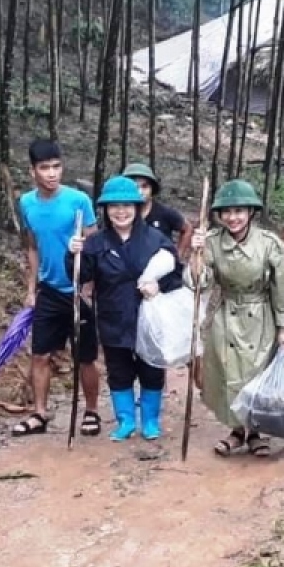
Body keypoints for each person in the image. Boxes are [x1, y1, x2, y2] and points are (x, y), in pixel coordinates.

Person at [67, 176, 181, 442]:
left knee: (151, 369)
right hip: (113, 317)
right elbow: (80, 276)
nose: (121, 211)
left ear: (138, 207)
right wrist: (73, 254)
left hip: (149, 318)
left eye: (127, 205)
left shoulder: (156, 239)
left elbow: (176, 274)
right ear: (105, 210)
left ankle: (150, 421)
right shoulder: (95, 243)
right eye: (114, 206)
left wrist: (159, 285)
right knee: (118, 371)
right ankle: (125, 420)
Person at [188, 179, 284, 458]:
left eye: (239, 211)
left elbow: (283, 286)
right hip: (225, 314)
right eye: (226, 212)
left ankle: (257, 431)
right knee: (228, 375)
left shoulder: (269, 243)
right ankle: (237, 431)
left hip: (260, 315)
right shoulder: (211, 241)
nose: (233, 218)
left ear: (250, 212)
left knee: (257, 375)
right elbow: (200, 282)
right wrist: (195, 253)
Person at [12, 139, 102, 437]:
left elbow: (95, 243)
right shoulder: (26, 203)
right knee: (40, 354)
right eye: (44, 168)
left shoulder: (79, 201)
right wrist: (31, 288)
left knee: (85, 357)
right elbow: (33, 247)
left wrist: (88, 287)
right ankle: (40, 412)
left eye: (56, 166)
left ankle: (91, 411)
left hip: (78, 290)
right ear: (32, 171)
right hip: (49, 290)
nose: (52, 173)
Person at [123, 163, 194, 261]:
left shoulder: (164, 213)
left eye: (144, 186)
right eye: (135, 187)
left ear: (152, 189)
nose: (139, 192)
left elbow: (187, 228)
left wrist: (177, 255)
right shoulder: (120, 216)